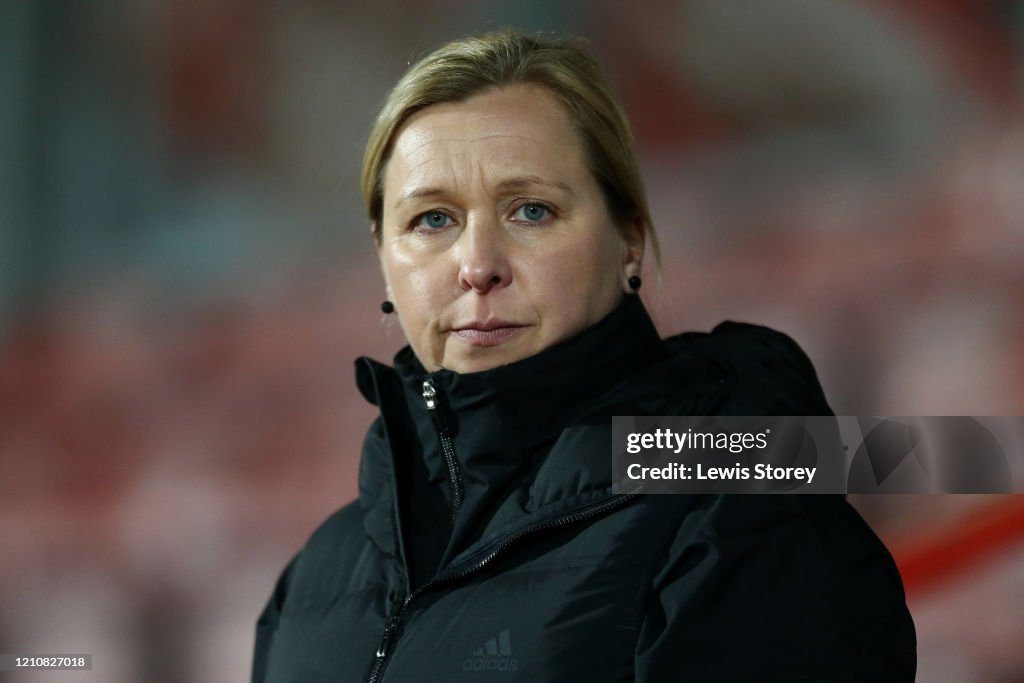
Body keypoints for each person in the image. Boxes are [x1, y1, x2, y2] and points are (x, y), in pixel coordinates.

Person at [252, 32, 916, 682]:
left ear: (629, 237)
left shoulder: (732, 502)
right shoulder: (316, 574)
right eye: (432, 220)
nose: (477, 265)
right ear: (382, 256)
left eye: (531, 210)